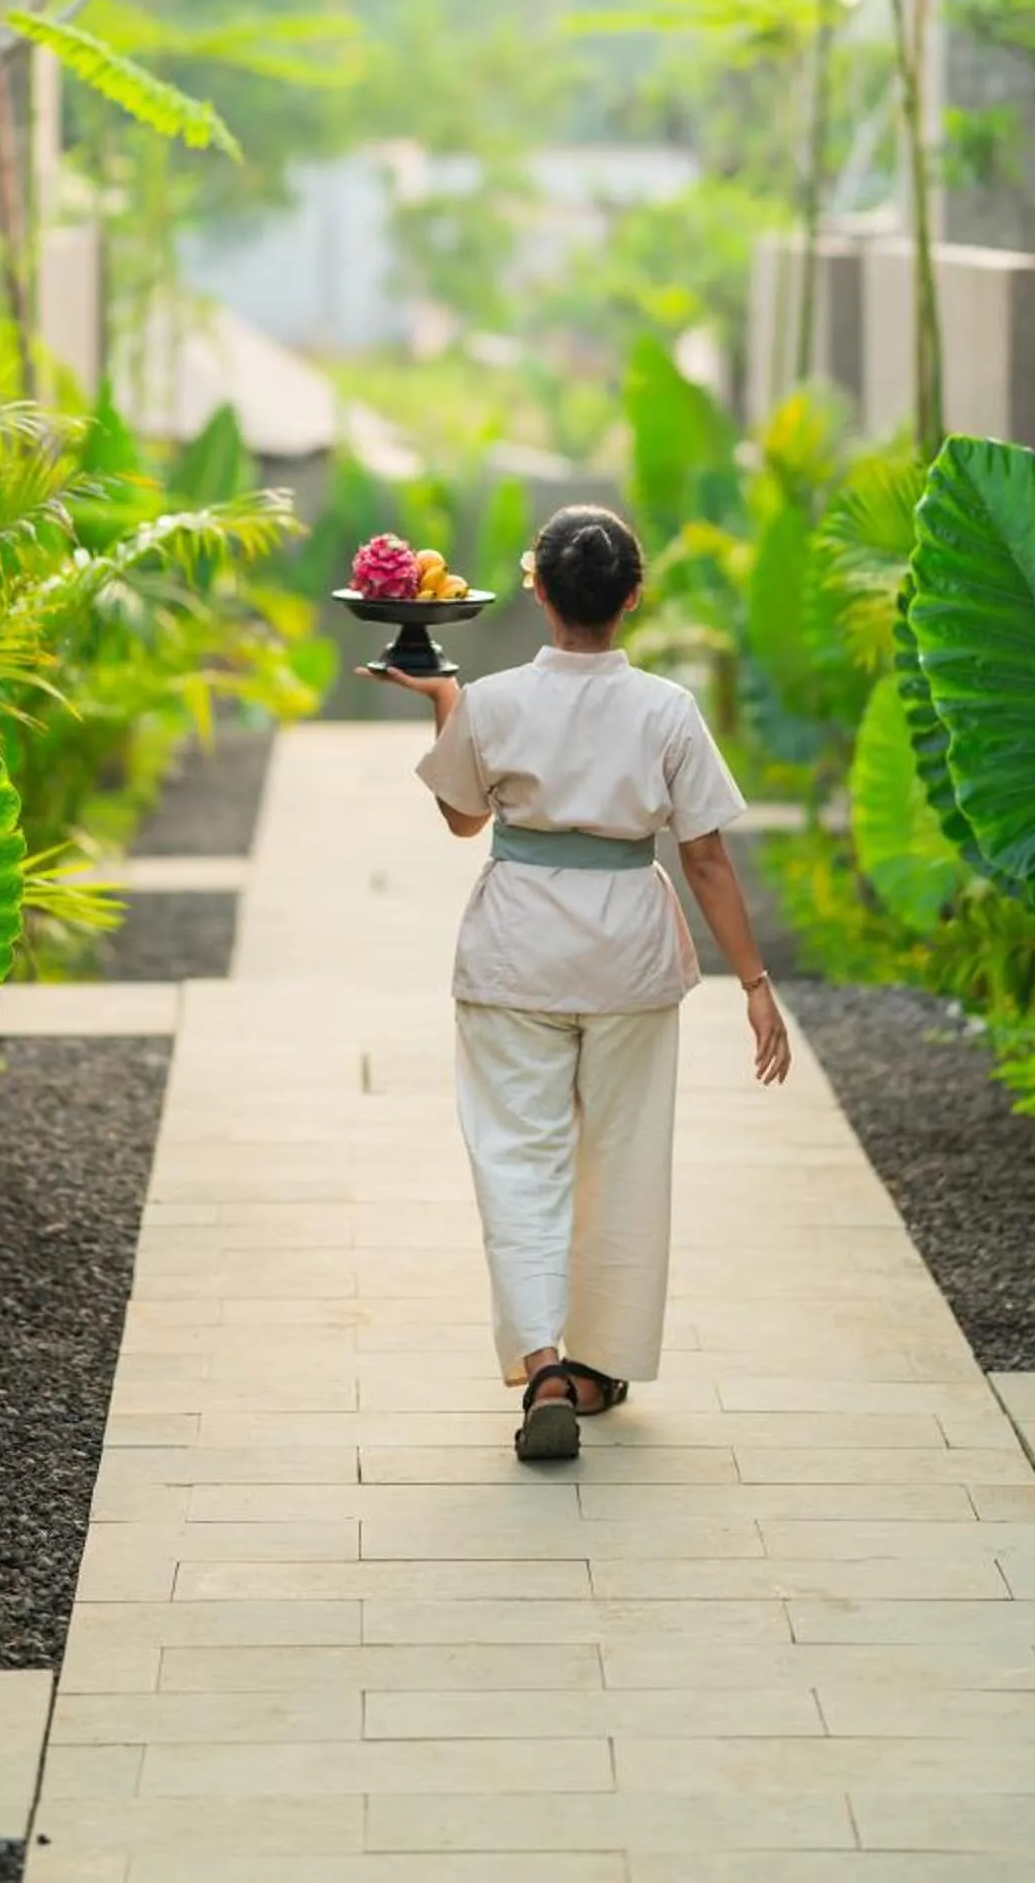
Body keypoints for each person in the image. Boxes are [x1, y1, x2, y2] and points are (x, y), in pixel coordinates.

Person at [374, 502, 790, 1465]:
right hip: (629, 958)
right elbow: (708, 859)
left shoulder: (497, 699)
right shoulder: (666, 710)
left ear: (537, 591)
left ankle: (544, 1363)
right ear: (632, 598)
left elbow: (461, 822)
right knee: (625, 1156)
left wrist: (446, 707)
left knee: (518, 1157)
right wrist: (755, 984)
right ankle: (601, 1366)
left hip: (515, 950)